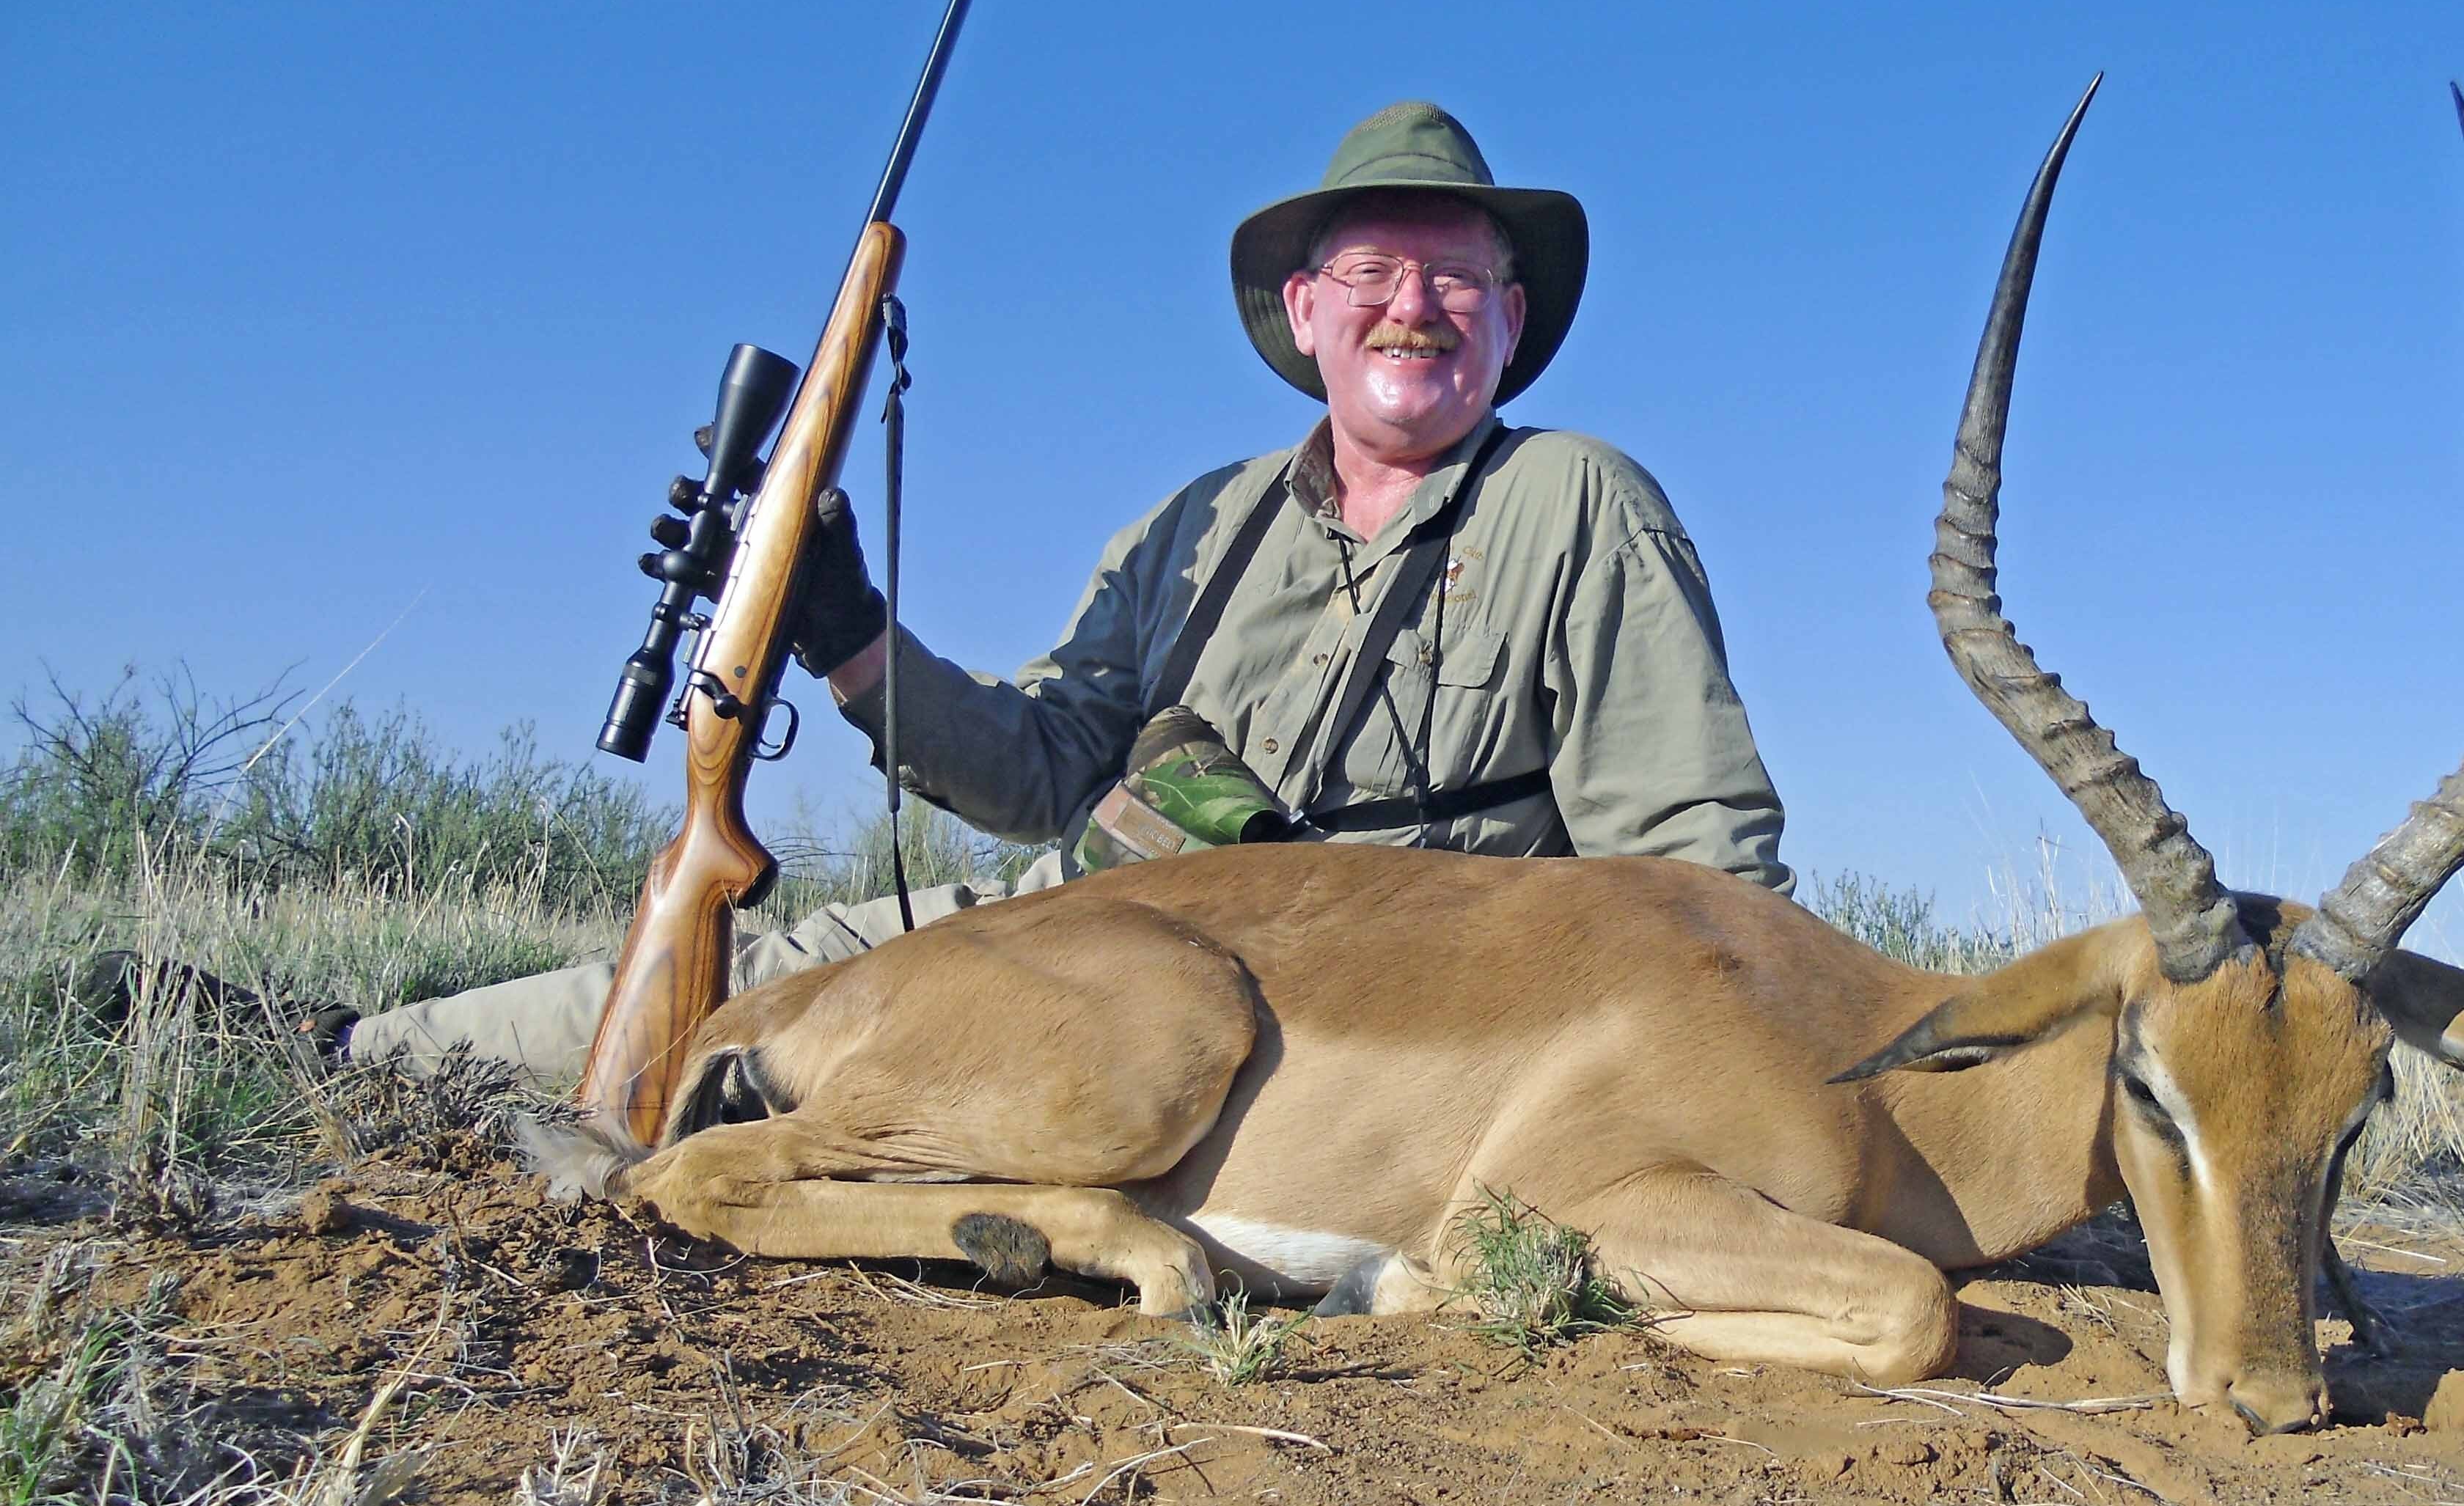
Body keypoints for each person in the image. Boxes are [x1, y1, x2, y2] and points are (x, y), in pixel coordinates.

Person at [210, 101, 1787, 1086]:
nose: (1413, 306)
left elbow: (1697, 868)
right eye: (1372, 273)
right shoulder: (1200, 524)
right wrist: (840, 629)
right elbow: (1041, 776)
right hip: (1101, 931)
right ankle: (346, 1051)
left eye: (1455, 277)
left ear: (1511, 320)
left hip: (1354, 1011)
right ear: (1304, 311)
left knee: (839, 1052)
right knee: (783, 964)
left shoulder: (1577, 501)